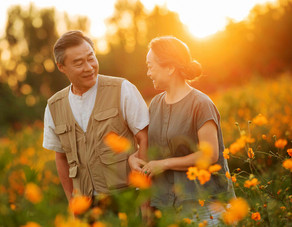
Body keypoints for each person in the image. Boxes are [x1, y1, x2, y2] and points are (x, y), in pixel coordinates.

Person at [129, 36, 235, 224]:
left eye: (151, 66)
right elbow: (157, 146)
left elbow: (209, 156)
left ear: (170, 68)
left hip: (205, 207)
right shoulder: (155, 104)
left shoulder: (201, 104)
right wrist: (133, 158)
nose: (148, 72)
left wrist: (165, 164)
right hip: (168, 207)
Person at [43, 30, 149, 203]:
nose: (89, 67)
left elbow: (144, 138)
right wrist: (72, 201)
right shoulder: (54, 106)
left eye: (91, 58)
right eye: (78, 63)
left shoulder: (122, 89)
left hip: (127, 199)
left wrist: (144, 195)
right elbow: (60, 156)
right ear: (61, 67)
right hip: (85, 205)